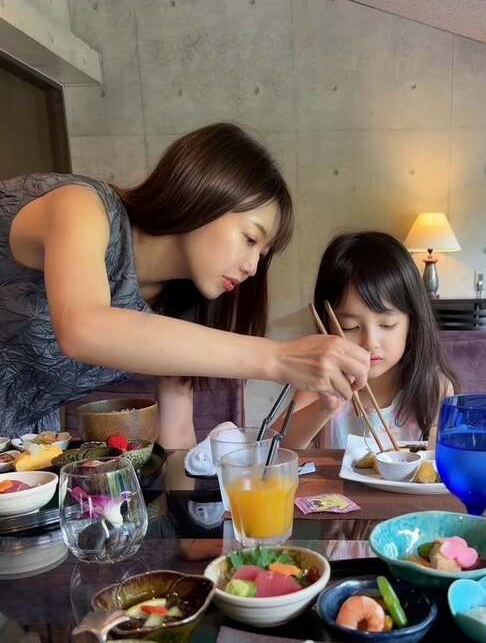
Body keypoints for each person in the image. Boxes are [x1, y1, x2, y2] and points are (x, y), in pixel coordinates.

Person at [0, 122, 369, 442]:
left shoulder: (180, 304)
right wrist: (279, 358)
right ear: (203, 195)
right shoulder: (81, 207)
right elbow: (83, 328)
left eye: (263, 253)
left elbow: (177, 435)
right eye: (250, 239)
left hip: (26, 450)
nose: (253, 268)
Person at [283, 231, 457, 449]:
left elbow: (442, 460)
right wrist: (323, 409)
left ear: (412, 322)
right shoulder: (320, 382)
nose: (370, 342)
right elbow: (276, 447)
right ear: (327, 324)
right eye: (350, 326)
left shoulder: (434, 388)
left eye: (387, 324)